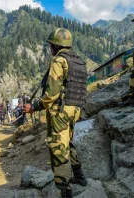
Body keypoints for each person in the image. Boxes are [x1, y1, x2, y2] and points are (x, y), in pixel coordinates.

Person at [23, 28, 88, 198]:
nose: (50, 48)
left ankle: (65, 190)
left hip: (60, 111)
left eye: (51, 45)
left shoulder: (59, 61)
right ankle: (80, 176)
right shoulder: (78, 61)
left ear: (55, 46)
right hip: (75, 109)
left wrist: (34, 107)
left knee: (58, 148)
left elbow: (51, 95)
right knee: (67, 142)